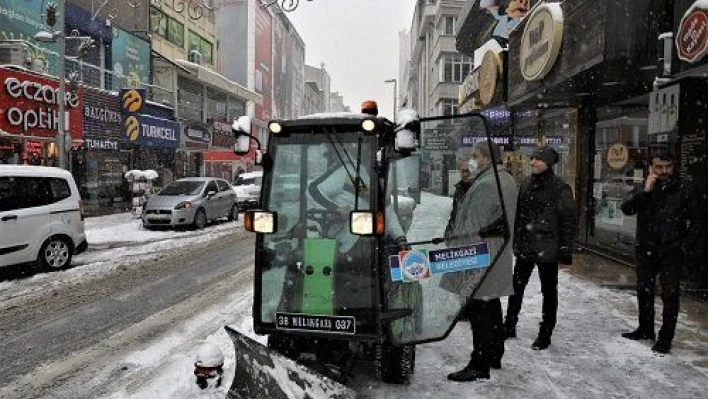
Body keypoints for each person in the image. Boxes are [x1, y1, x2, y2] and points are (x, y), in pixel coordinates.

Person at [445, 141, 518, 382]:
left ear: (487, 158)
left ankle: (479, 364)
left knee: (480, 312)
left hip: (481, 255)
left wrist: (458, 256)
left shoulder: (487, 184)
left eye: (475, 155)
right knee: (490, 307)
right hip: (495, 253)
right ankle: (494, 354)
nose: (471, 159)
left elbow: (472, 227)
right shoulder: (503, 179)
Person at [620, 151, 702, 354]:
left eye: (668, 166)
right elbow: (626, 209)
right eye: (659, 167)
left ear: (673, 166)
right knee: (644, 290)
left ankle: (665, 338)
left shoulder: (684, 188)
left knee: (670, 294)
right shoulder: (645, 186)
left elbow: (698, 222)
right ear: (651, 167)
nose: (664, 171)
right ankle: (646, 329)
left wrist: (684, 247)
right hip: (646, 248)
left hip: (672, 249)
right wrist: (645, 192)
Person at [504, 146, 576, 350]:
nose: (534, 162)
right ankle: (509, 325)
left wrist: (565, 248)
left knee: (549, 292)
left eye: (539, 159)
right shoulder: (526, 183)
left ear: (549, 163)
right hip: (527, 243)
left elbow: (568, 220)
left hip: (548, 247)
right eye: (533, 158)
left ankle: (545, 333)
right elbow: (519, 216)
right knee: (516, 287)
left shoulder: (560, 187)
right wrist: (516, 240)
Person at [444, 160, 473, 242]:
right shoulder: (459, 189)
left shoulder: (478, 187)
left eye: (467, 171)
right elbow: (455, 213)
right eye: (463, 171)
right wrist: (449, 230)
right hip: (460, 235)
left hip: (474, 235)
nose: (465, 174)